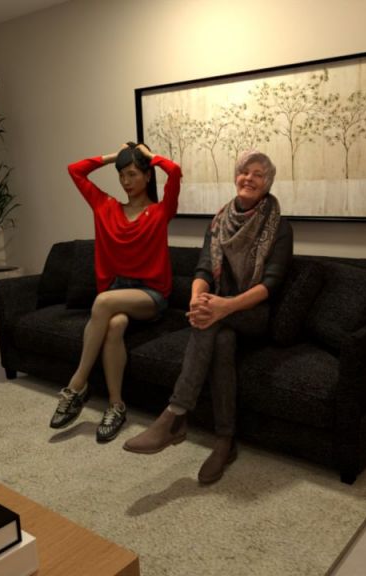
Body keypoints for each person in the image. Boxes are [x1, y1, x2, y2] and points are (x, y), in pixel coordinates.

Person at [123, 150, 292, 484]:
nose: (249, 178)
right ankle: (225, 441)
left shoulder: (280, 227)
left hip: (254, 313)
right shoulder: (218, 222)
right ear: (236, 176)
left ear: (268, 183)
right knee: (221, 339)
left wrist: (223, 307)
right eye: (244, 171)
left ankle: (174, 415)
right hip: (220, 312)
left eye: (258, 174)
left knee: (212, 322)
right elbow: (203, 269)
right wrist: (197, 300)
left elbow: (270, 285)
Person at [50, 143, 181, 443]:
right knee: (115, 325)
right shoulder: (105, 207)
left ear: (147, 176)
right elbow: (75, 170)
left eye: (132, 174)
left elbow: (174, 172)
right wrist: (114, 156)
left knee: (103, 301)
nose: (125, 181)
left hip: (150, 295)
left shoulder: (160, 212)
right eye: (121, 175)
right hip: (116, 292)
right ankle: (116, 406)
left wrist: (149, 156)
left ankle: (77, 385)